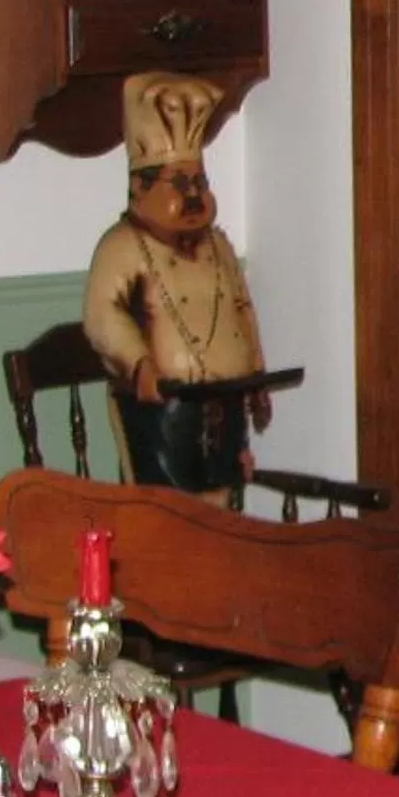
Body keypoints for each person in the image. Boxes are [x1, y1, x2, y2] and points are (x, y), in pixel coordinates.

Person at [83, 71, 270, 495]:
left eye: (199, 183)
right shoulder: (121, 247)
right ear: (140, 188)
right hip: (161, 413)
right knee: (167, 514)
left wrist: (256, 375)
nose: (193, 195)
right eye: (180, 184)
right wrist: (139, 364)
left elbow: (242, 308)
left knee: (220, 509)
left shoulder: (218, 245)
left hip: (226, 406)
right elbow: (102, 315)